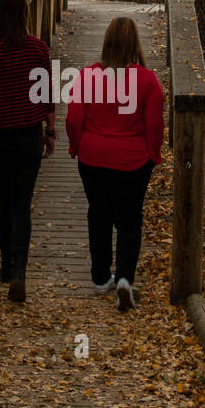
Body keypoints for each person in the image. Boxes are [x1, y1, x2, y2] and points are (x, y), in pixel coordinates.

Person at [66, 17, 164, 311]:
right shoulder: (148, 80)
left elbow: (73, 119)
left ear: (106, 41)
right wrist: (153, 154)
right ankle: (124, 279)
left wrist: (76, 146)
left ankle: (99, 278)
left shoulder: (87, 77)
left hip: (93, 157)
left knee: (99, 213)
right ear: (135, 43)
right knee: (130, 219)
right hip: (133, 160)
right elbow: (154, 125)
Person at [0, 0, 56, 302]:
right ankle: (19, 269)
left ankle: (6, 266)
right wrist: (50, 131)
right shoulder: (38, 48)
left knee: (4, 200)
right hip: (28, 134)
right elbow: (46, 95)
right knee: (22, 203)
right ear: (23, 13)